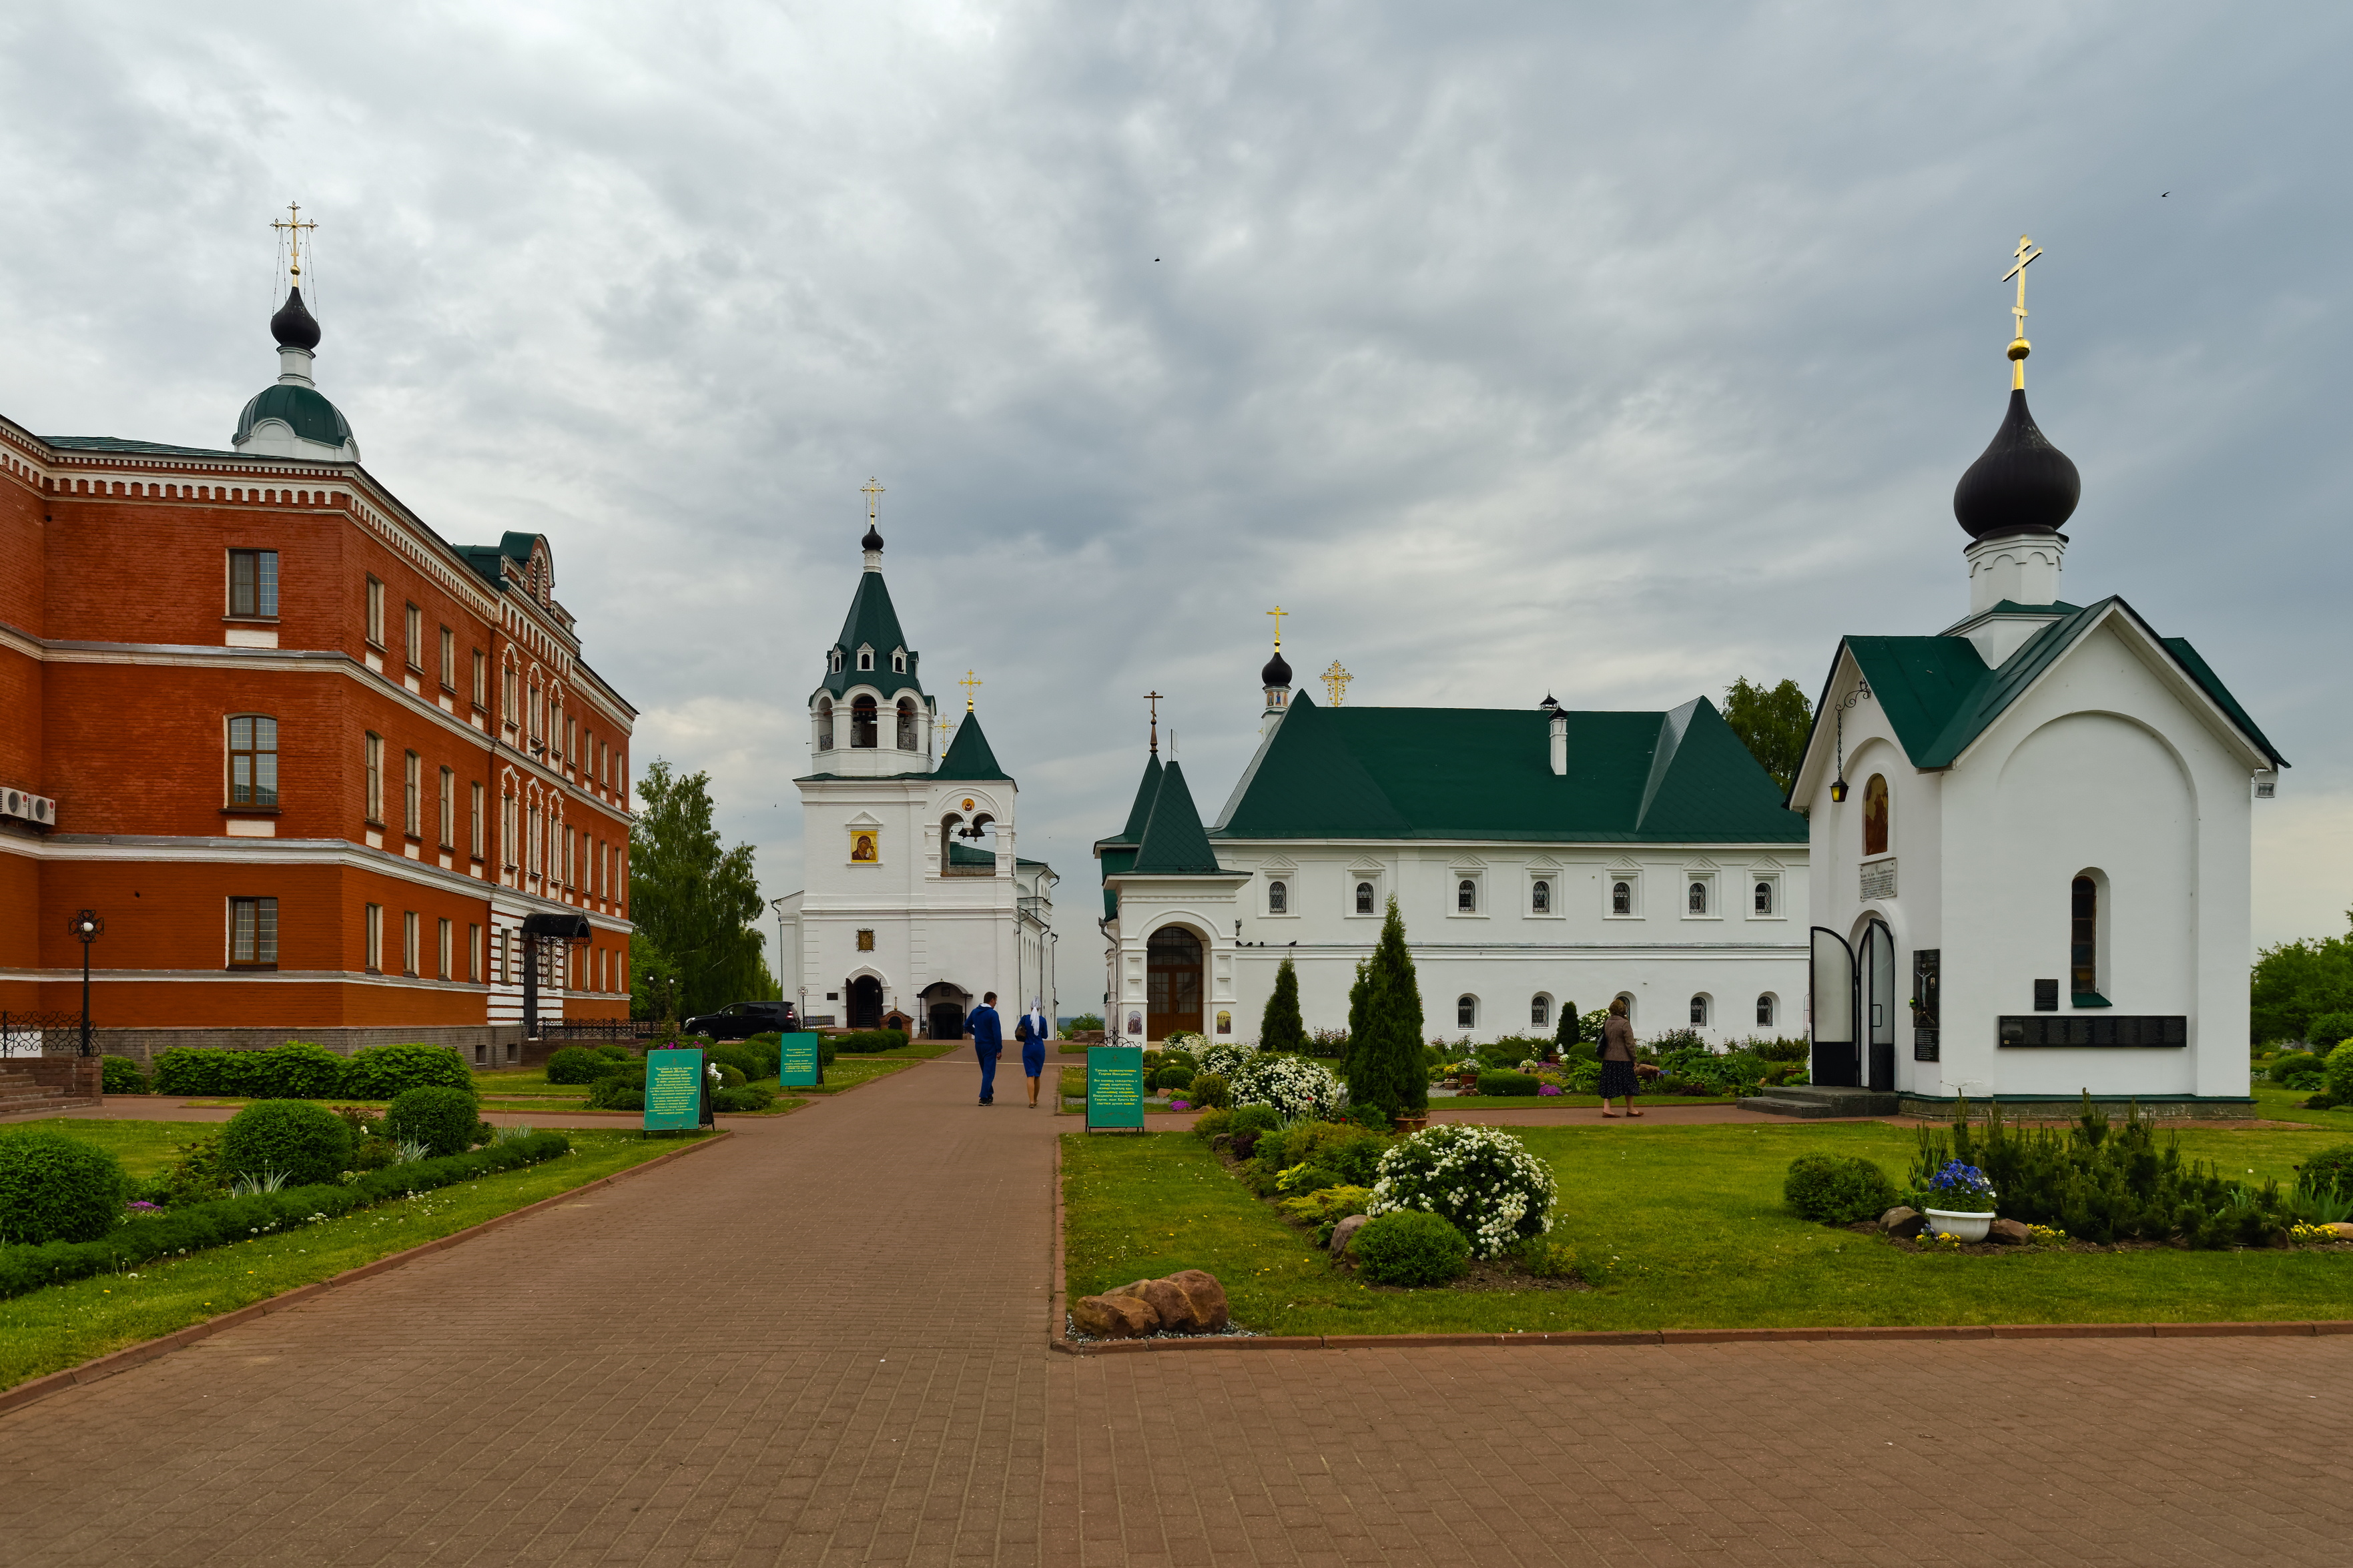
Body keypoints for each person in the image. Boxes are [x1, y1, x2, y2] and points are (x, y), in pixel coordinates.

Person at [1598, 997, 1641, 1118]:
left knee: (1609, 1083)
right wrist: (1634, 1059)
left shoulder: (1607, 1022)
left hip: (1608, 1058)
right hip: (1623, 1059)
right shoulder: (1624, 1023)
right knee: (1629, 1084)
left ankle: (1607, 1109)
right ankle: (1631, 1109)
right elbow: (1630, 1043)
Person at [966, 991, 1005, 1106]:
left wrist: (977, 1033)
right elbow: (997, 1032)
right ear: (992, 1000)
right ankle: (983, 1098)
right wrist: (999, 1049)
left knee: (985, 1071)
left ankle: (989, 1094)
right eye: (995, 1001)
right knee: (989, 1072)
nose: (996, 1004)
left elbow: (967, 1025)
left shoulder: (975, 1012)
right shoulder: (992, 1014)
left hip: (979, 1044)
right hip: (990, 1045)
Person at [1015, 998, 1050, 1108]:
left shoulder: (1025, 1019)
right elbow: (1045, 1035)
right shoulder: (1042, 1020)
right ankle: (1035, 1099)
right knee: (1037, 1075)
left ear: (1031, 1007)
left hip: (1028, 1048)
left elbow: (1018, 1031)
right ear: (1039, 1008)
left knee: (1030, 1075)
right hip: (1039, 1048)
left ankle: (1031, 1101)